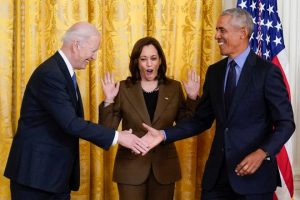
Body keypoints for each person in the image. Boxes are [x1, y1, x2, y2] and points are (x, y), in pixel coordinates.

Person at [142, 8, 295, 200]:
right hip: (216, 178)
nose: (216, 36)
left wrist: (262, 153)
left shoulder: (266, 72)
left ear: (242, 33)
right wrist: (164, 134)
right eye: (216, 30)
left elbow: (286, 123)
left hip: (254, 179)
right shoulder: (215, 72)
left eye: (222, 30)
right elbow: (201, 120)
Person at [4, 22, 149, 200]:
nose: (95, 57)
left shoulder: (63, 72)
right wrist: (119, 137)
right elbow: (71, 123)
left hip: (54, 178)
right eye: (93, 50)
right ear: (76, 45)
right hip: (35, 178)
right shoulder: (51, 74)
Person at [98, 36, 200, 200]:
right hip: (130, 168)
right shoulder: (123, 88)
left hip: (164, 168)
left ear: (160, 61)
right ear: (137, 62)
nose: (149, 64)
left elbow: (185, 126)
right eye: (144, 59)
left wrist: (192, 98)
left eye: (153, 58)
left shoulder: (173, 88)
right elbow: (107, 130)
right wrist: (109, 99)